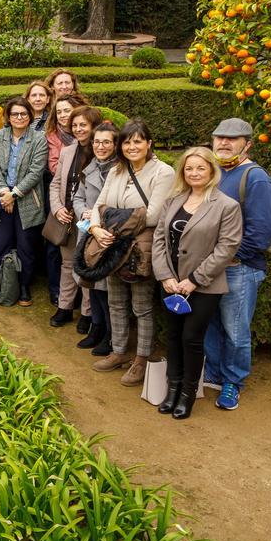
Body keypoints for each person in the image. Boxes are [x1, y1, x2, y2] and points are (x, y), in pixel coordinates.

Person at [152, 147, 243, 420]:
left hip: (203, 287)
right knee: (172, 335)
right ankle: (172, 388)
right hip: (170, 284)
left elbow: (227, 248)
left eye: (200, 168)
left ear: (212, 171)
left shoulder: (227, 206)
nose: (194, 173)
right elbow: (159, 239)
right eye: (189, 168)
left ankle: (188, 393)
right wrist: (165, 276)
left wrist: (193, 280)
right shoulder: (174, 200)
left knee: (191, 338)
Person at [89, 119, 175, 386]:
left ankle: (141, 359)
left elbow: (152, 216)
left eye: (138, 141)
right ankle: (118, 351)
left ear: (149, 143)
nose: (132, 146)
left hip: (141, 248)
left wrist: (109, 220)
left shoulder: (163, 172)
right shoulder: (117, 170)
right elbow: (99, 204)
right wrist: (94, 227)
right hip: (112, 245)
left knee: (141, 305)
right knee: (115, 301)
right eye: (127, 141)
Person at [205, 117, 271, 410]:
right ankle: (213, 373)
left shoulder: (256, 178)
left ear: (247, 144)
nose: (224, 143)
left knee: (235, 330)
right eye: (219, 137)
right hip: (210, 268)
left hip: (240, 268)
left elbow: (260, 234)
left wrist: (226, 259)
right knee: (211, 324)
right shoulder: (214, 172)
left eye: (232, 139)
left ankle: (232, 383)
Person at [0, 97, 48, 307]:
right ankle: (1, 284)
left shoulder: (38, 138)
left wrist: (15, 194)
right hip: (0, 197)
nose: (19, 117)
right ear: (8, 117)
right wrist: (5, 193)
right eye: (14, 114)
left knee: (25, 246)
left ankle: (23, 286)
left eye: (23, 114)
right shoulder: (0, 137)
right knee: (1, 244)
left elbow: (36, 171)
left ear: (30, 116)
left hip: (27, 197)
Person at [48, 105, 103, 327]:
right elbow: (56, 184)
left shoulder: (101, 151)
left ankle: (87, 313)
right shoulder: (68, 150)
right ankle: (65, 306)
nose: (78, 129)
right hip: (67, 218)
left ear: (94, 127)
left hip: (91, 220)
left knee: (87, 265)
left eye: (83, 125)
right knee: (67, 264)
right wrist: (57, 208)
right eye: (75, 125)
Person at [73, 122, 120, 354]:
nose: (100, 146)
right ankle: (97, 327)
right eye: (97, 142)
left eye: (106, 142)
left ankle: (110, 335)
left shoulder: (121, 169)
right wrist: (83, 210)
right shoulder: (90, 165)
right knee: (92, 284)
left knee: (107, 289)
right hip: (90, 232)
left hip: (109, 233)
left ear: (115, 144)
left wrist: (98, 214)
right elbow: (78, 196)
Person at [45, 93, 88, 174]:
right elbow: (54, 167)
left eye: (67, 111)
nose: (62, 115)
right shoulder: (52, 136)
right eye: (59, 112)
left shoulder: (88, 130)